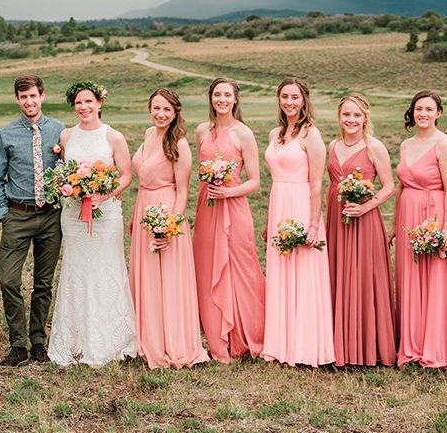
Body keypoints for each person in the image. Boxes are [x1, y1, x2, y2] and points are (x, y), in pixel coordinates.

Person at [46, 81, 138, 366]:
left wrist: (105, 194)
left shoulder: (113, 136)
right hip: (73, 215)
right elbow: (62, 172)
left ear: (99, 103)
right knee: (77, 269)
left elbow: (126, 175)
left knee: (106, 268)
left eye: (88, 102)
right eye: (78, 103)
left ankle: (111, 339)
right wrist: (69, 187)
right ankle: (74, 339)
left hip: (106, 215)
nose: (84, 107)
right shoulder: (66, 135)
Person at [394, 91, 447, 370]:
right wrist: (394, 225)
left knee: (435, 279)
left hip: (434, 214)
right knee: (410, 277)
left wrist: (445, 228)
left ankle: (438, 345)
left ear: (438, 113)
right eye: (418, 108)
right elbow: (400, 186)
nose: (423, 114)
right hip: (408, 215)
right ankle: (412, 345)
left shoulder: (444, 144)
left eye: (428, 109)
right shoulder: (406, 145)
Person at [128, 89, 209, 369]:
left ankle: (172, 343)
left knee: (168, 280)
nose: (160, 114)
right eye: (156, 108)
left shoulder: (180, 144)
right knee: (147, 277)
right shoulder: (150, 134)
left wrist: (169, 227)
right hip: (143, 207)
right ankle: (148, 337)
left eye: (166, 110)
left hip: (166, 212)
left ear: (175, 113)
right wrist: (134, 214)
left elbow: (183, 192)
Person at [0, 75, 65, 367]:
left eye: (33, 96)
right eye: (23, 97)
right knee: (9, 280)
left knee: (43, 283)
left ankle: (37, 342)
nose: (28, 102)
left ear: (42, 95)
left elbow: (68, 168)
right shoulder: (6, 135)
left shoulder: (59, 130)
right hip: (17, 215)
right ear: (16, 100)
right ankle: (17, 343)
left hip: (50, 216)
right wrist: (4, 213)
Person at [260, 77, 335, 367]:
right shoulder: (274, 133)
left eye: (295, 97)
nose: (289, 102)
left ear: (304, 100)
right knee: (280, 273)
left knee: (303, 274)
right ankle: (280, 343)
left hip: (302, 205)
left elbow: (317, 184)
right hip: (279, 204)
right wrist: (269, 220)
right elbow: (273, 182)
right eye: (284, 97)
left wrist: (314, 225)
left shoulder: (310, 135)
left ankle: (305, 346)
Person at [192, 78, 265, 363]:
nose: (221, 99)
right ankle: (217, 340)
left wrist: (228, 192)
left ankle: (245, 337)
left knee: (241, 269)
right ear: (211, 98)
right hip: (207, 207)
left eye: (227, 95)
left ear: (235, 100)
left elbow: (256, 181)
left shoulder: (243, 133)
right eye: (217, 94)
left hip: (234, 208)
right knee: (208, 269)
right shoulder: (201, 132)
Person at [324, 93, 397, 367]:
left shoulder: (374, 147)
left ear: (365, 117)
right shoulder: (332, 145)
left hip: (364, 220)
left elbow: (389, 186)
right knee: (339, 274)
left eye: (356, 115)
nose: (351, 119)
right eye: (346, 114)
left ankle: (367, 346)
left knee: (364, 277)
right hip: (336, 218)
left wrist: (366, 208)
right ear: (339, 117)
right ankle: (338, 343)